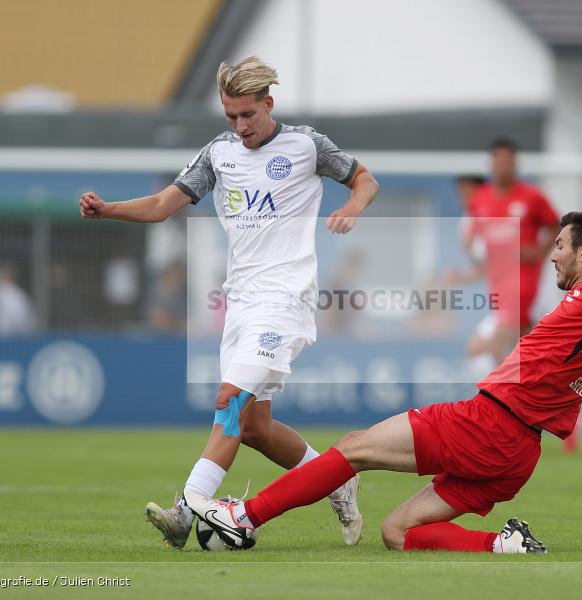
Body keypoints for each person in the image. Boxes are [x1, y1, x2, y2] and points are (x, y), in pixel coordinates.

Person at [194, 189, 582, 554]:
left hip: (490, 423)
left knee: (355, 447)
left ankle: (245, 517)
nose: (550, 256)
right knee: (397, 533)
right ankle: (502, 546)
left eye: (560, 248)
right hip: (518, 455)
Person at [79, 56, 380, 548]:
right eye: (230, 116)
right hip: (240, 302)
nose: (240, 126)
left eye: (248, 115)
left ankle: (185, 510)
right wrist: (108, 209)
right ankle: (336, 478)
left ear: (269, 103)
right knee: (256, 427)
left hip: (286, 298)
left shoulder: (306, 145)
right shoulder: (218, 154)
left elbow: (365, 178)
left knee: (229, 401)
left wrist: (350, 206)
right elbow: (161, 206)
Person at [450, 139, 561, 364]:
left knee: (487, 345)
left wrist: (539, 251)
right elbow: (477, 245)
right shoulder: (480, 199)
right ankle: (554, 384)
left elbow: (555, 225)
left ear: (515, 164)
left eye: (508, 161)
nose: (503, 166)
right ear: (491, 164)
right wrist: (470, 260)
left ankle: (505, 394)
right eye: (498, 161)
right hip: (499, 284)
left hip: (524, 282)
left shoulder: (531, 196)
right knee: (527, 342)